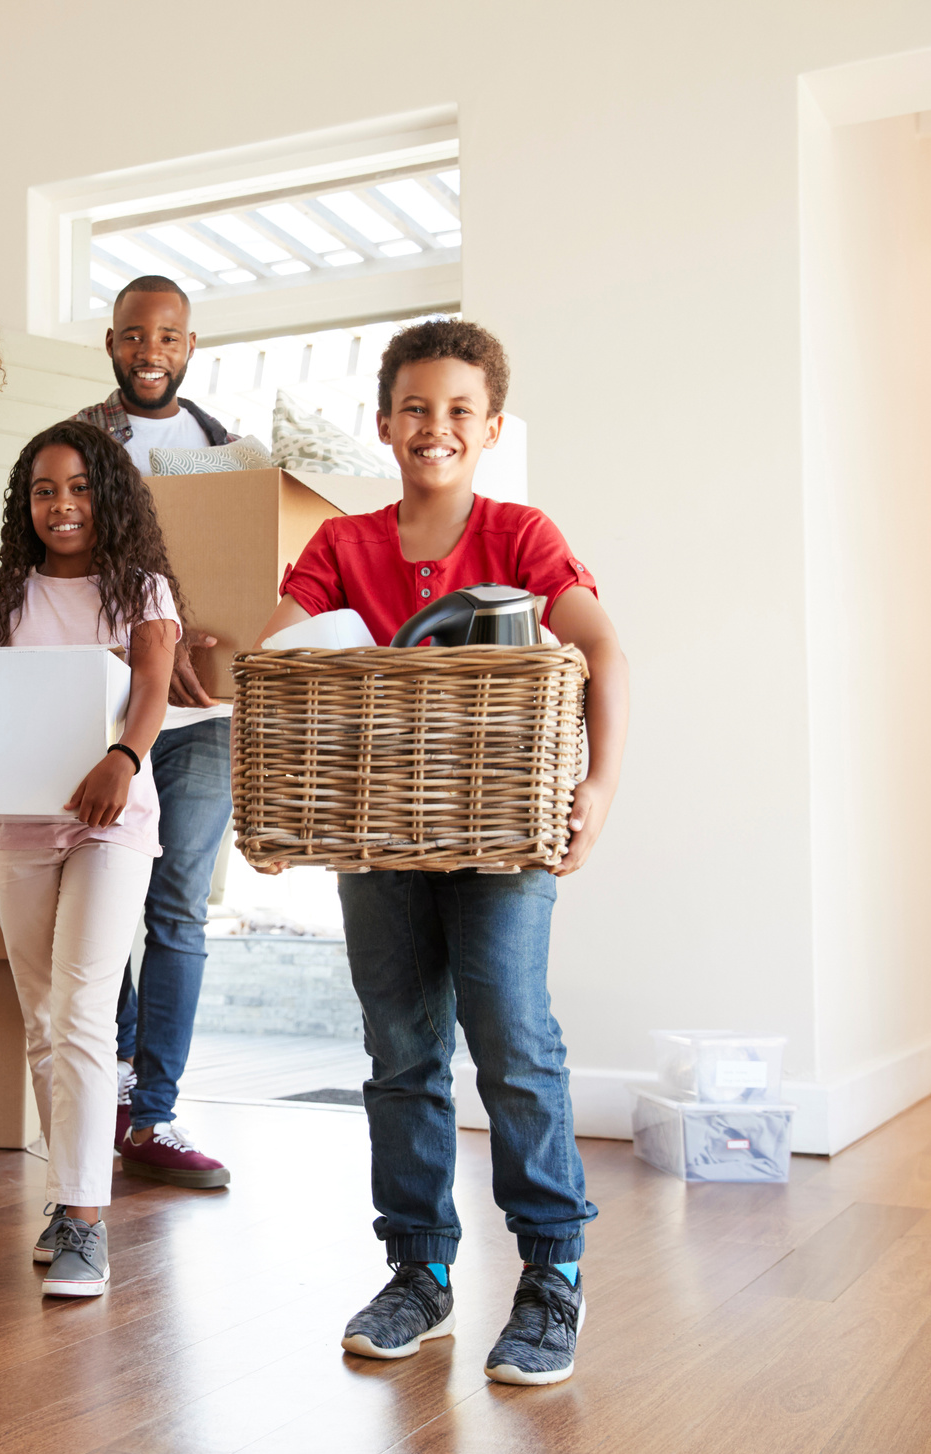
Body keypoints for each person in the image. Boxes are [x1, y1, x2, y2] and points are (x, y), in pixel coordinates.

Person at [255, 319, 628, 1385]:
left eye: (458, 409)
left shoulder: (517, 535)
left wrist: (596, 785)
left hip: (501, 833)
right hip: (376, 841)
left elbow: (600, 647)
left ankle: (551, 1272)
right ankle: (417, 1271)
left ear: (491, 426)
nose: (435, 427)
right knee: (400, 1049)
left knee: (510, 1037)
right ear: (384, 423)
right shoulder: (341, 547)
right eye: (415, 408)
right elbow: (279, 661)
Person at [0, 421, 185, 1299]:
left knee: (79, 1009)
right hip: (17, 820)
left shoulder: (139, 586)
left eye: (76, 487)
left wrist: (125, 759)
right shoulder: (6, 590)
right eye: (42, 490)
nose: (61, 505)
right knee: (43, 1018)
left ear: (105, 492)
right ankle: (65, 1198)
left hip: (111, 817)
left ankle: (83, 1221)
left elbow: (150, 683)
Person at [67, 276, 234, 1189]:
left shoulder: (234, 457)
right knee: (103, 890)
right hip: (108, 703)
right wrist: (157, 635)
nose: (149, 352)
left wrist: (211, 627)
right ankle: (120, 1082)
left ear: (188, 347)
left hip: (203, 713)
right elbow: (58, 556)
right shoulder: (81, 446)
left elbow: (256, 570)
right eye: (134, 335)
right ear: (111, 343)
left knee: (176, 909)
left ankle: (157, 1114)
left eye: (166, 337)